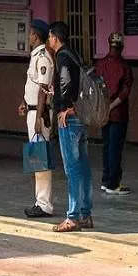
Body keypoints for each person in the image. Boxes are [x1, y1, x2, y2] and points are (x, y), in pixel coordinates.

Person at [47, 21, 93, 232]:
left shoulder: (63, 56)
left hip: (70, 118)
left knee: (72, 168)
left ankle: (73, 216)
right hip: (80, 118)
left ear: (55, 37)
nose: (49, 41)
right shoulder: (74, 54)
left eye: (50, 37)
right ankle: (85, 214)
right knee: (83, 167)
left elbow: (66, 84)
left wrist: (65, 108)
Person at [18, 20, 55, 218]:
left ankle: (44, 204)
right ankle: (40, 201)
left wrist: (39, 117)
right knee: (37, 157)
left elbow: (42, 90)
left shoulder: (42, 57)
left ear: (36, 36)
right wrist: (25, 102)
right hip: (34, 111)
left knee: (40, 157)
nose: (29, 36)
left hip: (39, 114)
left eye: (31, 33)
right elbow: (33, 87)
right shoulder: (36, 56)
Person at [95, 32, 133, 196]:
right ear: (122, 46)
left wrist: (103, 107)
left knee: (106, 146)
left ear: (109, 44)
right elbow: (124, 93)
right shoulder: (125, 66)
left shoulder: (100, 64)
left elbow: (95, 89)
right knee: (115, 149)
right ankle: (113, 184)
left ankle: (105, 180)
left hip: (103, 112)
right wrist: (111, 106)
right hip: (118, 113)